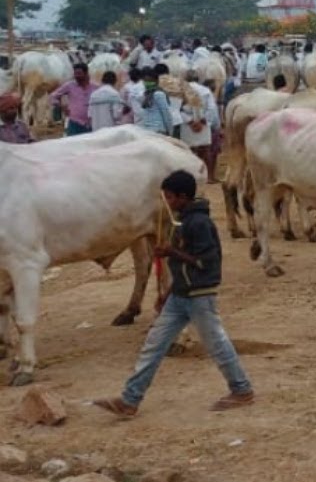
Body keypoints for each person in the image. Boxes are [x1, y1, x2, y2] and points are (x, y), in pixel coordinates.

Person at [93, 170, 254, 418]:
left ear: (182, 197)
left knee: (217, 344)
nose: (166, 202)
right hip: (180, 294)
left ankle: (242, 390)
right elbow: (182, 268)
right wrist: (167, 292)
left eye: (169, 197)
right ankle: (130, 399)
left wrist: (171, 253)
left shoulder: (199, 224)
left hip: (200, 294)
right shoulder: (182, 221)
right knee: (153, 345)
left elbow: (206, 262)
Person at [49, 62, 96, 136]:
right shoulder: (69, 86)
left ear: (86, 73)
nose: (77, 76)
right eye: (75, 74)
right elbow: (53, 96)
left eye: (79, 73)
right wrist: (61, 106)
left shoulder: (95, 87)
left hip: (91, 123)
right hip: (74, 122)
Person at [138, 69, 174, 136]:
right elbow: (166, 114)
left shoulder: (156, 94)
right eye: (145, 81)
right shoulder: (146, 94)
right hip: (155, 130)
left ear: (156, 81)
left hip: (153, 130)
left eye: (149, 81)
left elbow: (166, 113)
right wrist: (170, 131)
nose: (146, 83)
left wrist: (169, 130)